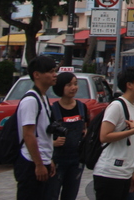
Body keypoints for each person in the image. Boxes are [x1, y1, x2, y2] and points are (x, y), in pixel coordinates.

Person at [93, 66, 134, 200]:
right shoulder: (117, 106)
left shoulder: (133, 106)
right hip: (109, 173)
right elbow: (104, 136)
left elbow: (129, 147)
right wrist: (131, 131)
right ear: (129, 85)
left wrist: (131, 172)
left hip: (124, 173)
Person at [14, 54, 58, 200]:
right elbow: (28, 135)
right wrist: (39, 164)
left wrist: (47, 159)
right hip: (30, 162)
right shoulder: (31, 101)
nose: (54, 75)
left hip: (41, 159)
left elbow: (43, 133)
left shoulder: (43, 97)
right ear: (36, 75)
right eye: (50, 71)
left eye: (55, 71)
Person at [46, 71, 88, 200]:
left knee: (71, 195)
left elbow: (85, 127)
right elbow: (43, 134)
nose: (73, 88)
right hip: (57, 160)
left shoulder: (82, 107)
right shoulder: (53, 109)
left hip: (76, 160)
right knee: (51, 194)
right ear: (60, 87)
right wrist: (53, 143)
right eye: (69, 85)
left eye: (75, 84)